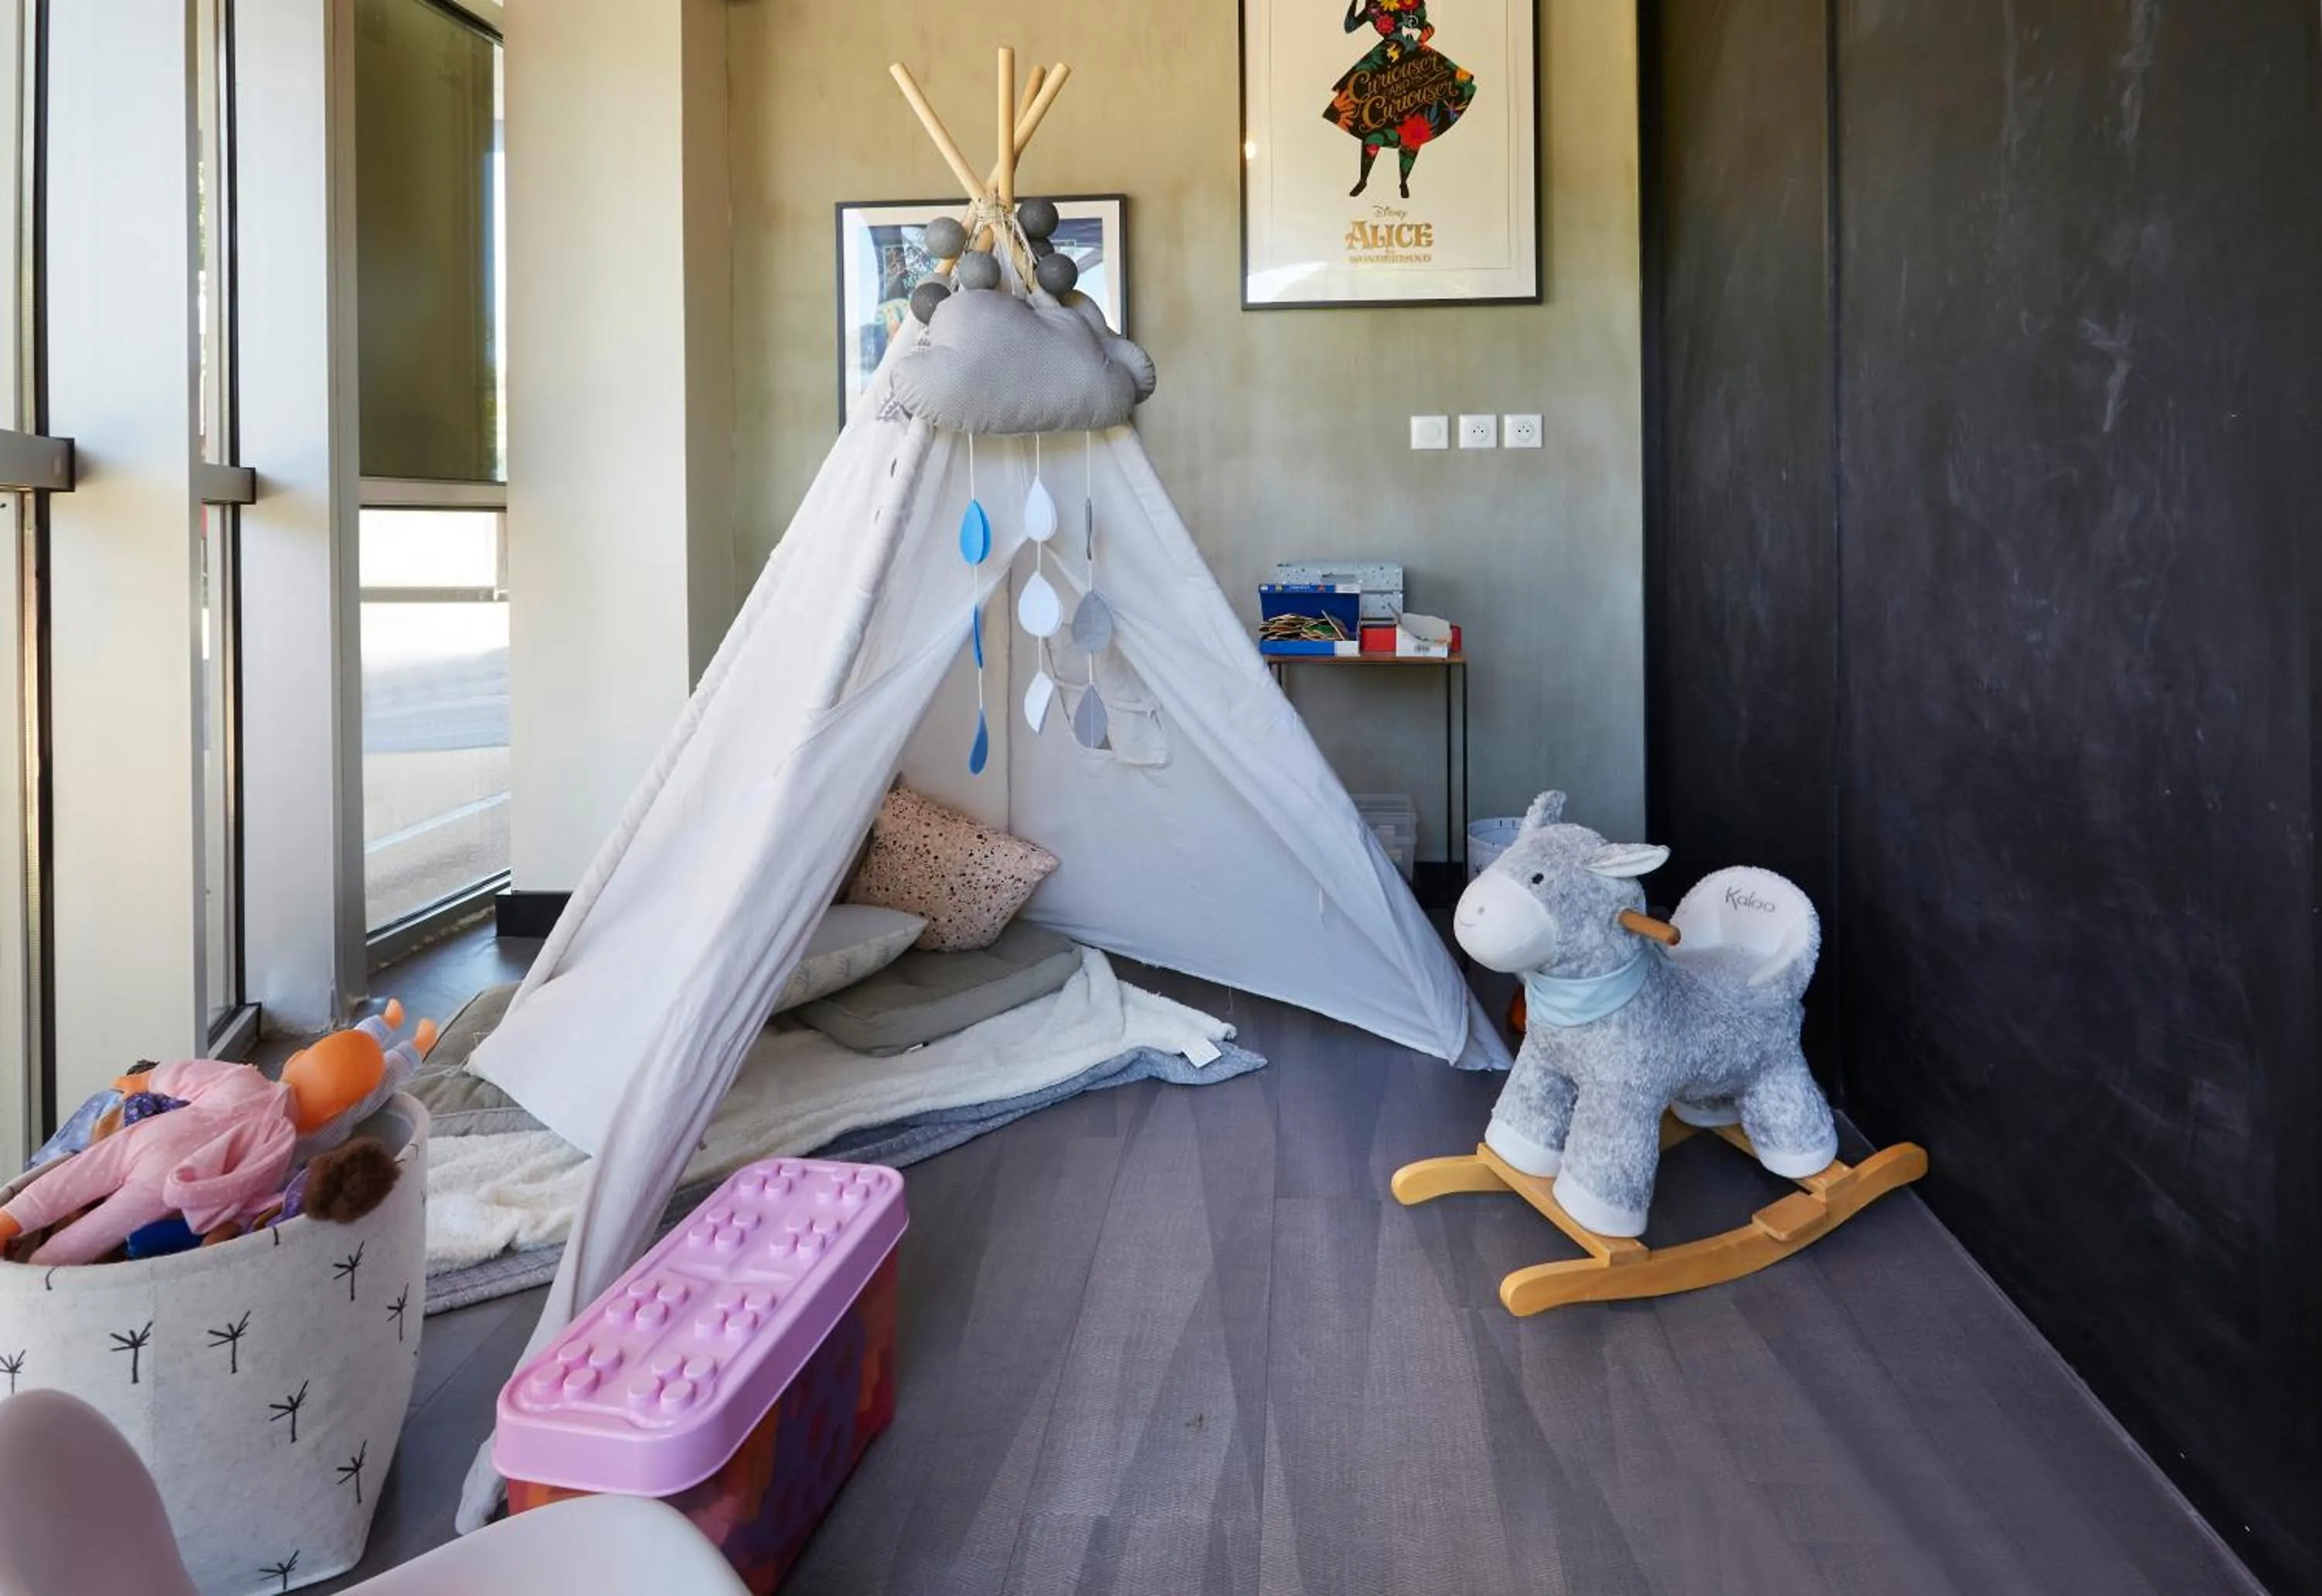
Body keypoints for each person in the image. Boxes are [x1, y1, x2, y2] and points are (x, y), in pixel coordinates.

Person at [1324, 0, 1478, 199]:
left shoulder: (1414, 2)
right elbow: (1350, 26)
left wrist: (1418, 42)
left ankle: (1403, 182)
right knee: (1371, 120)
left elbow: (1429, 27)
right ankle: (1363, 180)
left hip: (1413, 59)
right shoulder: (1374, 3)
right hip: (1384, 60)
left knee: (1415, 119)